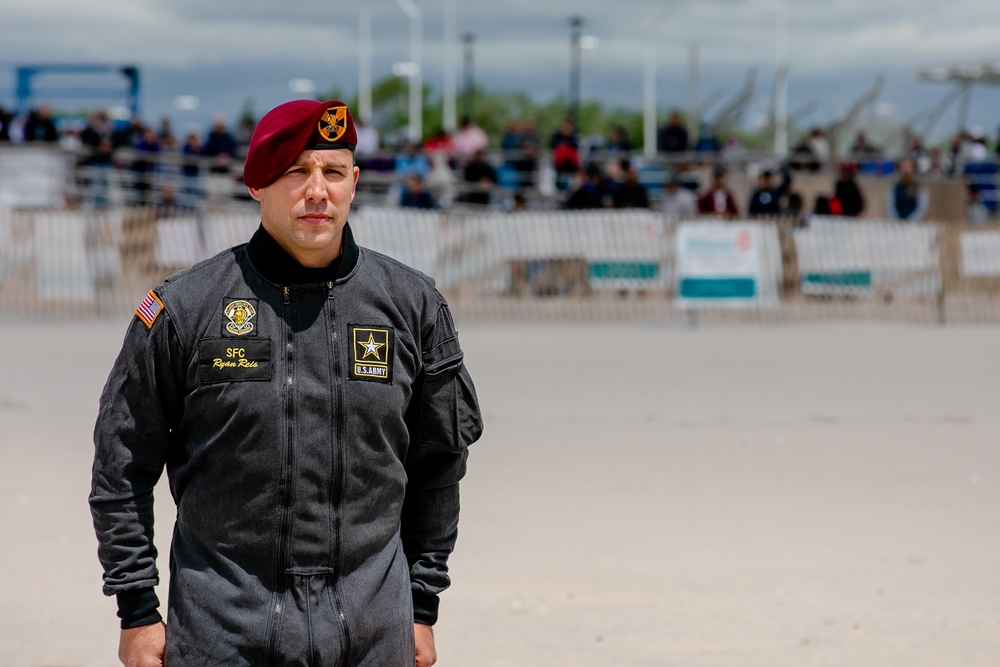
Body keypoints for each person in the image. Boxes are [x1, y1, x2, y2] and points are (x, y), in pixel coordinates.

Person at [90, 99, 483, 667]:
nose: (317, 190)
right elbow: (120, 465)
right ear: (257, 184)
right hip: (222, 632)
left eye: (332, 171)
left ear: (355, 181)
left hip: (374, 631)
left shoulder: (413, 306)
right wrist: (137, 610)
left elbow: (440, 465)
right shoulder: (184, 309)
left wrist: (422, 606)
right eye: (295, 171)